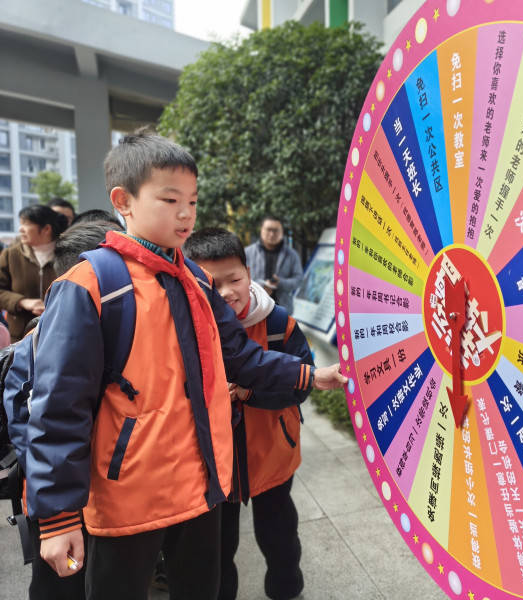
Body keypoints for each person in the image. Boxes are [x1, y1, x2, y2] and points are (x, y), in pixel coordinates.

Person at [13, 130, 347, 600]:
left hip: (201, 490)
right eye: (170, 200)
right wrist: (59, 517)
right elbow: (58, 408)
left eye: (192, 200)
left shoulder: (196, 280)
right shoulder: (91, 285)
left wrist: (314, 375)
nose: (186, 213)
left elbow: (241, 357)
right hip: (129, 503)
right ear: (123, 201)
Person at [185, 228, 309, 600]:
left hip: (272, 455)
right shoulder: (185, 328)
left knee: (280, 539)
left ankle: (287, 591)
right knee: (219, 552)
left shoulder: (277, 324)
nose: (226, 293)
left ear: (249, 273)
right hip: (215, 468)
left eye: (234, 279)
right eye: (212, 284)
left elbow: (301, 384)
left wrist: (248, 393)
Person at [20, 221, 124, 600]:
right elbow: (36, 428)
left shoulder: (112, 329)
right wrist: (57, 516)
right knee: (62, 582)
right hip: (60, 499)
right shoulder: (42, 342)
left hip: (94, 494)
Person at [0, 205, 68, 342]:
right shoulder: (11, 255)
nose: (21, 229)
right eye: (21, 224)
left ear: (46, 229)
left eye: (26, 224)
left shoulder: (67, 255)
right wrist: (21, 302)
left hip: (59, 333)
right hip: (20, 337)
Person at [245, 216, 303, 314]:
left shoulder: (292, 255)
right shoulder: (247, 253)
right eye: (269, 230)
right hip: (254, 309)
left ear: (282, 232)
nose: (272, 234)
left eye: (276, 230)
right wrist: (261, 286)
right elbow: (239, 279)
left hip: (282, 308)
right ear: (261, 230)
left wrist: (281, 283)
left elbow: (299, 280)